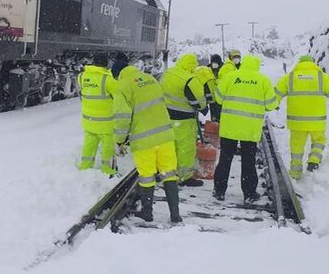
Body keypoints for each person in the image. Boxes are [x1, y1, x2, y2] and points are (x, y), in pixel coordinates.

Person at [112, 59, 182, 223]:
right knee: (169, 174)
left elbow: (122, 118)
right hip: (165, 136)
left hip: (144, 140)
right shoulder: (150, 78)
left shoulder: (121, 86)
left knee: (147, 176)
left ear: (117, 74)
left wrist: (119, 141)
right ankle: (175, 215)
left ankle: (147, 212)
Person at [213, 54, 278, 203]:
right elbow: (271, 104)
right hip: (250, 128)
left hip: (230, 126)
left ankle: (219, 191)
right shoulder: (263, 80)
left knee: (225, 158)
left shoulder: (230, 76)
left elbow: (218, 98)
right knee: (248, 161)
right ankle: (249, 193)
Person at [274, 55, 329, 179]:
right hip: (317, 121)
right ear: (313, 63)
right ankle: (314, 160)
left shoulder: (289, 78)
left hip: (296, 121)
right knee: (319, 140)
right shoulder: (322, 77)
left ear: (299, 64)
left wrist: (272, 105)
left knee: (296, 147)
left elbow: (276, 94)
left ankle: (295, 173)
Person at [161, 54, 207, 187]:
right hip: (184, 118)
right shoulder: (190, 79)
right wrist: (204, 107)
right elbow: (199, 100)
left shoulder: (168, 73)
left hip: (167, 116)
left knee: (170, 145)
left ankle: (169, 173)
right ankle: (185, 177)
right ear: (192, 66)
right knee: (185, 148)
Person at [77, 53, 118, 175]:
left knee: (89, 145)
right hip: (106, 123)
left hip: (88, 121)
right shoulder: (108, 80)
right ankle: (108, 170)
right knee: (108, 147)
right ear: (106, 64)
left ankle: (85, 167)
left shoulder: (81, 76)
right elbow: (120, 97)